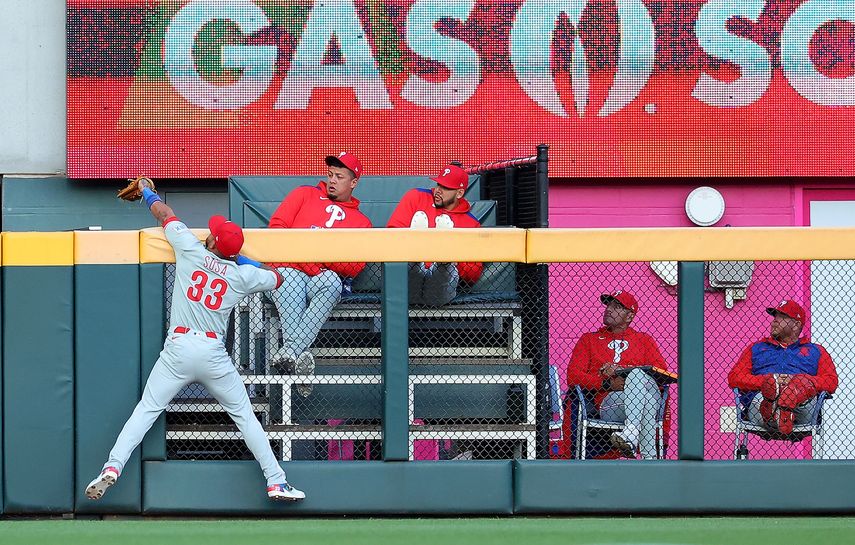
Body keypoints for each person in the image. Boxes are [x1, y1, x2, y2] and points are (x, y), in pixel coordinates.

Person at [85, 178, 304, 502]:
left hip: (179, 348)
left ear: (212, 241)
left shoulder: (189, 248)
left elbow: (164, 213)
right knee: (244, 416)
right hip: (213, 353)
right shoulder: (240, 276)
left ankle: (113, 466)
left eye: (213, 233)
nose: (209, 232)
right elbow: (277, 276)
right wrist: (240, 259)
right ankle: (276, 480)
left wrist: (148, 192)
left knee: (146, 409)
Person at [267, 152, 372, 394]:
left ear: (353, 182)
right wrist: (315, 262)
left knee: (332, 281)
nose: (333, 180)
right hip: (288, 269)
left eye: (340, 176)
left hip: (319, 276)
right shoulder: (304, 194)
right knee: (289, 279)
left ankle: (290, 352)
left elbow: (355, 266)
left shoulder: (361, 222)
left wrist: (313, 261)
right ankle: (298, 355)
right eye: (330, 175)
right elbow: (277, 230)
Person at [564, 291, 669, 459]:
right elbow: (573, 376)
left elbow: (660, 374)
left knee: (638, 377)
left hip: (645, 397)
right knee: (647, 404)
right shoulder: (589, 340)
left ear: (629, 316)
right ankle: (650, 460)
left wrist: (622, 370)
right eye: (609, 305)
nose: (609, 310)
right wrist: (607, 384)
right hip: (612, 403)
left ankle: (631, 433)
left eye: (617, 307)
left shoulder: (644, 340)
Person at [728, 299, 838, 435]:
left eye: (782, 317)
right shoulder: (757, 348)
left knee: (801, 388)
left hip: (802, 409)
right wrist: (768, 381)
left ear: (796, 325)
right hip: (761, 403)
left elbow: (831, 381)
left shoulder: (816, 351)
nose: (775, 321)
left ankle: (777, 409)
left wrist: (798, 382)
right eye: (775, 317)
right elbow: (734, 377)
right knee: (766, 394)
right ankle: (774, 407)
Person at [387, 164, 483, 306]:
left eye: (446, 188)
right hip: (408, 283)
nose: (438, 190)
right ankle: (416, 253)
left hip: (439, 292)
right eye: (439, 184)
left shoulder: (471, 223)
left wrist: (455, 256)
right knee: (413, 265)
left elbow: (472, 275)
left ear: (459, 193)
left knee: (444, 268)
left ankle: (444, 256)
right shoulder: (417, 197)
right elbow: (391, 238)